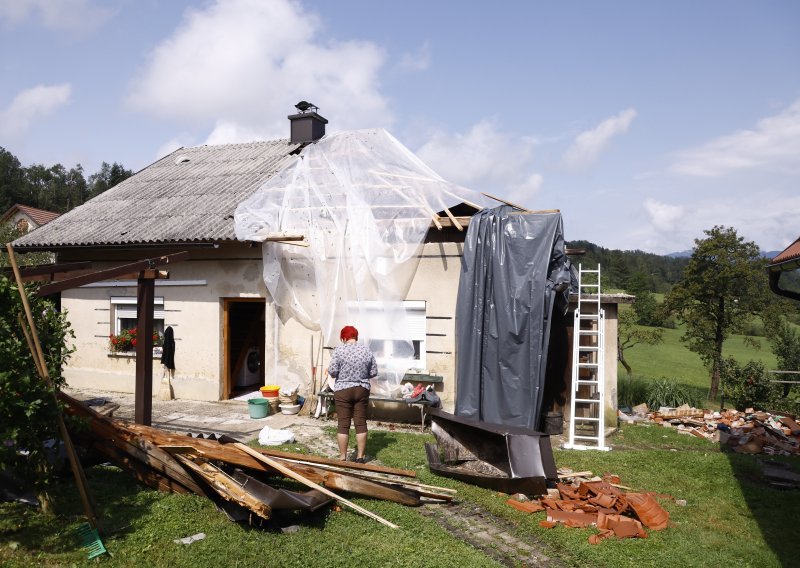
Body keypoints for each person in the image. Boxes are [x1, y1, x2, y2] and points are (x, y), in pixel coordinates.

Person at [327, 325, 378, 463]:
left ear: (343, 338)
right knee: (360, 423)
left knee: (343, 424)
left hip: (343, 389)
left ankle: (343, 457)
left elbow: (332, 372)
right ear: (356, 337)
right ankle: (360, 457)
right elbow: (373, 372)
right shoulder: (366, 350)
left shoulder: (339, 351)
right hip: (362, 389)